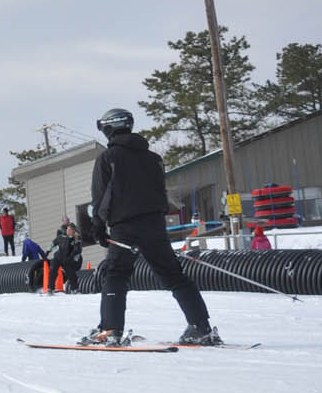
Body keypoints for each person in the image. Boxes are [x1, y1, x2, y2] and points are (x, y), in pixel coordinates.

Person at [82, 108, 219, 346]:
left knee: (115, 274)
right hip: (155, 225)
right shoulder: (153, 158)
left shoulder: (108, 157)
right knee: (174, 275)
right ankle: (201, 327)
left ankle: (110, 330)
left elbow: (100, 194)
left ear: (110, 127)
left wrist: (98, 226)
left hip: (125, 226)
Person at [48, 222, 83, 292]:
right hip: (58, 257)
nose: (68, 231)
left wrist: (73, 259)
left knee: (71, 273)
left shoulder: (75, 239)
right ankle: (50, 288)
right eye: (68, 229)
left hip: (67, 259)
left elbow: (78, 250)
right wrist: (47, 251)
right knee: (53, 271)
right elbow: (53, 243)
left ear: (73, 231)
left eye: (70, 229)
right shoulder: (61, 237)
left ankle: (74, 289)